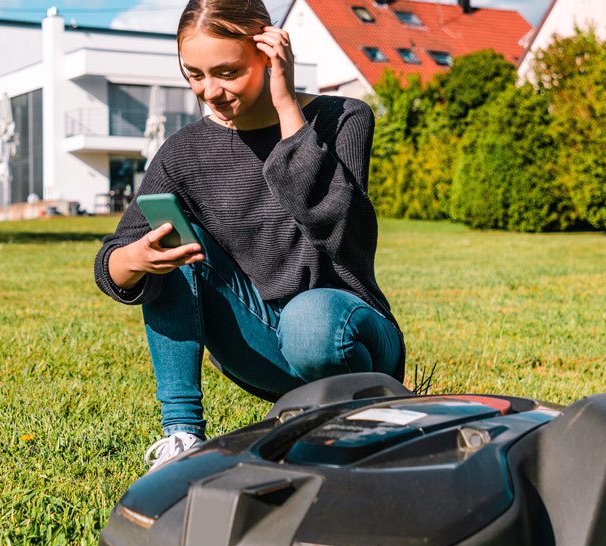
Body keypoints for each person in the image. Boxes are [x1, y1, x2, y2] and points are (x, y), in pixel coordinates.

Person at [93, 0, 405, 471]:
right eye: (194, 75)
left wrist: (285, 105)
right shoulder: (182, 153)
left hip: (348, 335)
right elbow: (112, 260)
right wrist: (135, 261)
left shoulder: (345, 118)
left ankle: (356, 413)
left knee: (308, 320)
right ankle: (182, 436)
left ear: (269, 50)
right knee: (172, 238)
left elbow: (340, 230)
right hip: (262, 346)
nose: (210, 92)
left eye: (227, 72)